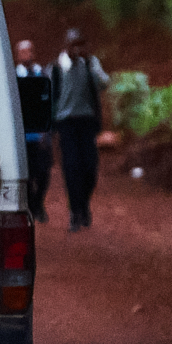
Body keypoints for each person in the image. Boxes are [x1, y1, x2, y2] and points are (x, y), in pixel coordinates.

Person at [52, 27, 114, 232]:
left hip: (86, 122)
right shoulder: (57, 68)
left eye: (80, 44)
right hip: (66, 123)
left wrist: (91, 66)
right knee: (72, 169)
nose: (77, 49)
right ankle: (75, 211)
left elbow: (104, 83)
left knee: (90, 167)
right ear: (66, 46)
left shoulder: (90, 64)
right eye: (73, 45)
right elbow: (50, 96)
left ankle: (84, 204)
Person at [13, 38, 57, 223]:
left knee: (44, 173)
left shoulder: (42, 74)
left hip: (41, 135)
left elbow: (49, 102)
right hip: (23, 136)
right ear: (18, 55)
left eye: (30, 51)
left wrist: (48, 130)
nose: (27, 55)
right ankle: (33, 206)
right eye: (23, 52)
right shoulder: (14, 77)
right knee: (28, 175)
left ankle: (38, 203)